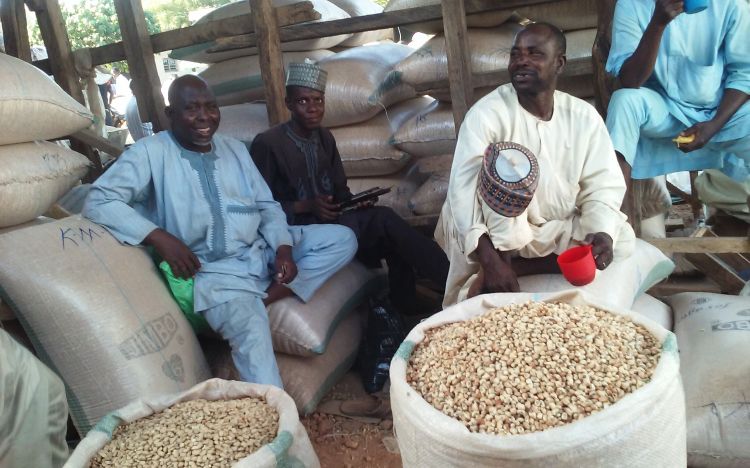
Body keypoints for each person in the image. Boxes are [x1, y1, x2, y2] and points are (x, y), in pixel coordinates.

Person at [83, 75, 357, 388]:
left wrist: (282, 247)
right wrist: (159, 237)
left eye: (211, 107)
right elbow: (99, 200)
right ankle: (283, 423)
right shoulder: (149, 153)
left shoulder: (235, 149)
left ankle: (269, 294)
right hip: (214, 274)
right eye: (192, 109)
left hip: (259, 252)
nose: (204, 117)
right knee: (253, 333)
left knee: (342, 239)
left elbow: (267, 206)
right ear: (171, 115)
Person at [437, 22, 635, 307]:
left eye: (535, 54)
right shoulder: (487, 114)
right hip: (500, 232)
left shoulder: (583, 117)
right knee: (503, 176)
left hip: (549, 228)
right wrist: (491, 261)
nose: (522, 62)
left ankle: (520, 268)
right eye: (515, 54)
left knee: (621, 237)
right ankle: (495, 269)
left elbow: (603, 185)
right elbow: (463, 193)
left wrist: (601, 233)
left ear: (559, 63)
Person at [250, 62, 450, 317]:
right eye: (303, 102)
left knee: (387, 223)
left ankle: (408, 299)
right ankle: (456, 285)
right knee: (385, 221)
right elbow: (260, 208)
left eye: (318, 101)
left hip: (333, 220)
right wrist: (306, 206)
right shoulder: (268, 144)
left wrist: (354, 203)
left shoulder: (324, 138)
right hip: (297, 229)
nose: (313, 109)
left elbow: (339, 191)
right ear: (289, 103)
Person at [605, 0, 750, 192]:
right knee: (623, 102)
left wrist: (714, 125)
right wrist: (658, 23)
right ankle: (616, 215)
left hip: (720, 113)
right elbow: (630, 80)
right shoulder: (631, 4)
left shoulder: (731, 4)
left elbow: (744, 74)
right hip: (665, 110)